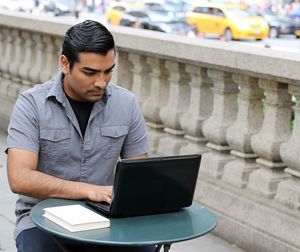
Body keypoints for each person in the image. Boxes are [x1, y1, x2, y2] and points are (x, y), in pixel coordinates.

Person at [6, 20, 153, 252]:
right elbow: (19, 178)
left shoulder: (127, 104)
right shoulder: (31, 104)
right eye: (90, 72)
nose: (101, 82)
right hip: (42, 220)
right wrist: (88, 190)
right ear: (65, 64)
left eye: (108, 71)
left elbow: (140, 176)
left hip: (107, 220)